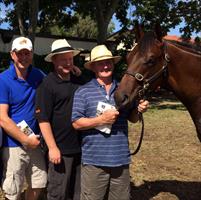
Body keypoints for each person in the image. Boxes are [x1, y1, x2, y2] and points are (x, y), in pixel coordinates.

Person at [71, 44, 149, 200]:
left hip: (120, 159)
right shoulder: (83, 91)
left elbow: (132, 119)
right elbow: (76, 123)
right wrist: (101, 120)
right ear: (93, 67)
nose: (105, 66)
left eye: (108, 62)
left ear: (113, 64)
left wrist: (138, 110)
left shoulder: (124, 89)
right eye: (100, 63)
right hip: (94, 160)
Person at [0, 36, 47, 200]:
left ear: (32, 55)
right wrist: (25, 140)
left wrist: (74, 73)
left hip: (35, 140)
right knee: (13, 189)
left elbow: (56, 83)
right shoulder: (3, 79)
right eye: (20, 53)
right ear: (12, 55)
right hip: (13, 143)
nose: (23, 58)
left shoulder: (38, 75)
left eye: (27, 53)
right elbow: (3, 118)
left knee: (38, 183)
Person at [35, 39, 82, 200]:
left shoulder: (77, 80)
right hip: (60, 150)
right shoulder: (47, 85)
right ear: (54, 60)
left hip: (81, 146)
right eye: (63, 59)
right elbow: (43, 119)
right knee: (58, 193)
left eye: (70, 59)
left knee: (77, 192)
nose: (68, 63)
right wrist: (53, 147)